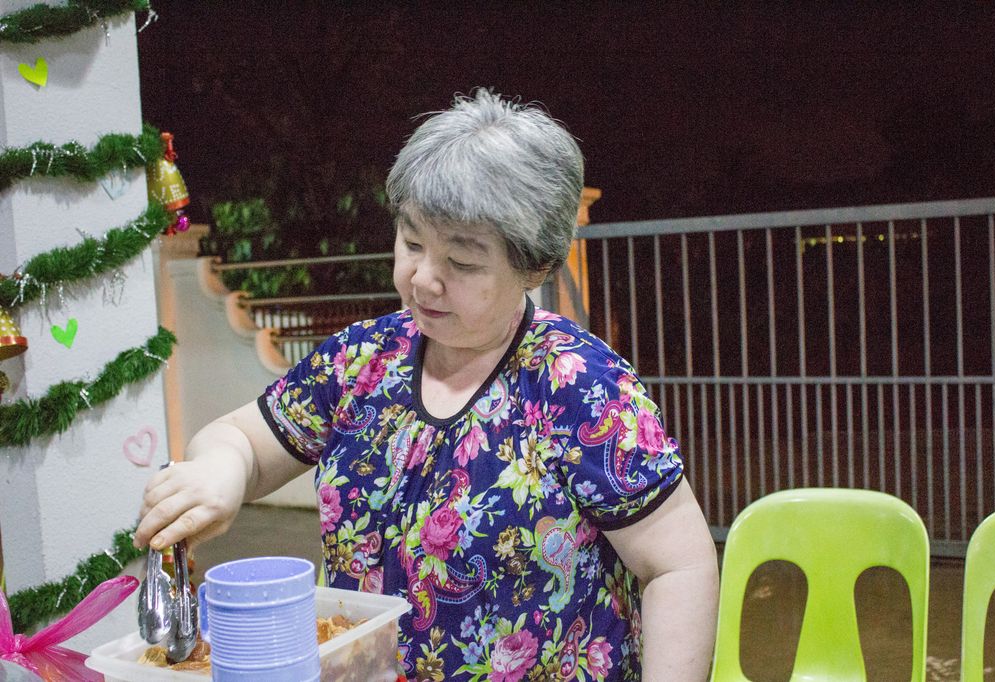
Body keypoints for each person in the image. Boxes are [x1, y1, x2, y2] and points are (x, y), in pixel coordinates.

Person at [135, 89, 719, 681]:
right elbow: (242, 440)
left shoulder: (579, 386)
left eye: (462, 263)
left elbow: (678, 567)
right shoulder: (363, 360)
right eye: (412, 243)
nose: (423, 280)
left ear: (534, 267)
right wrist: (221, 471)